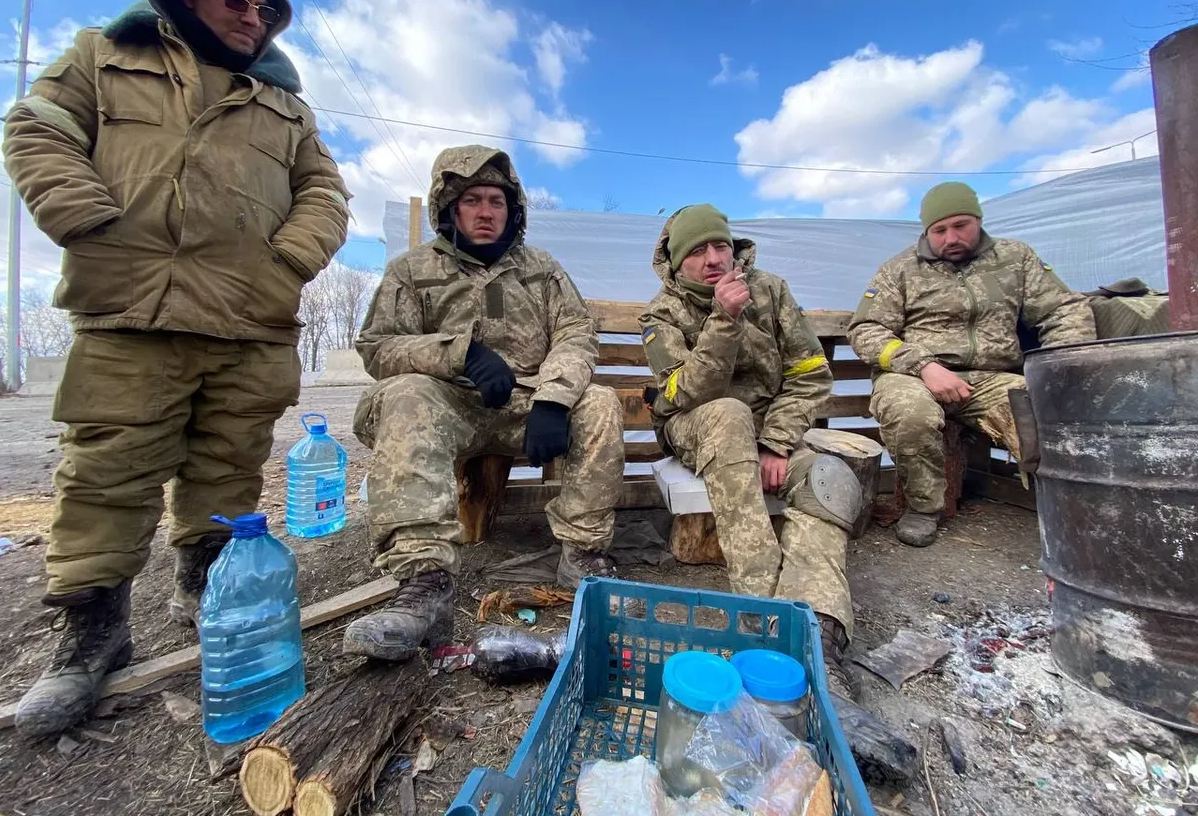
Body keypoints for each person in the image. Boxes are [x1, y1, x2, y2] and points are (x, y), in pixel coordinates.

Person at [1, 0, 350, 740]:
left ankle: (205, 590)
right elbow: (36, 127)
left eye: (264, 7)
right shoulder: (102, 55)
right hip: (133, 309)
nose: (253, 15)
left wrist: (286, 262)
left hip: (247, 315)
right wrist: (86, 218)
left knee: (229, 466)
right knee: (108, 470)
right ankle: (91, 635)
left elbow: (326, 194)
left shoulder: (283, 106)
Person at [341, 145, 623, 662]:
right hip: (450, 406)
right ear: (449, 207)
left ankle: (583, 554)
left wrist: (554, 399)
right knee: (404, 392)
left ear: (512, 209)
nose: (486, 211)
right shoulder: (412, 271)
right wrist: (457, 354)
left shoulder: (541, 269)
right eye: (473, 200)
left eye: (496, 200)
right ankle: (425, 583)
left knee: (600, 401)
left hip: (528, 407)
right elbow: (377, 348)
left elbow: (577, 333)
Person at [639, 204, 863, 700]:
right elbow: (682, 395)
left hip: (769, 432)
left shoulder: (771, 290)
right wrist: (724, 319)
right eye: (698, 251)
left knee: (827, 478)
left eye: (721, 245)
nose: (714, 258)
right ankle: (762, 616)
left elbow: (810, 375)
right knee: (728, 414)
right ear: (677, 263)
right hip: (696, 425)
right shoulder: (661, 314)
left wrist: (776, 442)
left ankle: (818, 630)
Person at [848, 182, 1094, 547]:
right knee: (908, 413)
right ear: (926, 231)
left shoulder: (1016, 259)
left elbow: (1063, 309)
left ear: (978, 220)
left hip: (992, 376)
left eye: (960, 225)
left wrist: (1060, 367)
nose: (951, 237)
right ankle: (923, 507)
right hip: (913, 373)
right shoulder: (900, 270)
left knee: (1045, 411)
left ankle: (1071, 509)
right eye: (939, 230)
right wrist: (923, 365)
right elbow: (866, 329)